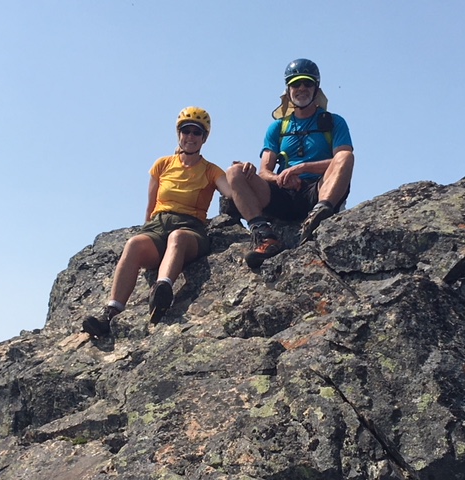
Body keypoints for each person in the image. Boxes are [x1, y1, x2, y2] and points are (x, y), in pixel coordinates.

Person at [82, 106, 232, 336]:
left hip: (190, 228)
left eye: (197, 132)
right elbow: (151, 205)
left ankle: (162, 290)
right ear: (179, 134)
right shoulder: (162, 165)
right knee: (134, 244)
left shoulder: (211, 171)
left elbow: (230, 192)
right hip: (158, 225)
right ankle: (110, 313)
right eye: (186, 131)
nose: (190, 136)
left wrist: (240, 174)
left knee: (177, 238)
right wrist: (146, 234)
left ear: (204, 138)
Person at [226, 58, 355, 268]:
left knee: (346, 156)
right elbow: (265, 171)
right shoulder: (278, 127)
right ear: (288, 90)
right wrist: (281, 178)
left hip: (318, 189)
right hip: (284, 194)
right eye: (295, 84)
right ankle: (265, 236)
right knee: (235, 172)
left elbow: (342, 159)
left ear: (316, 88)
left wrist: (301, 168)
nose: (301, 88)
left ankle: (318, 216)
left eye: (307, 83)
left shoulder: (333, 122)